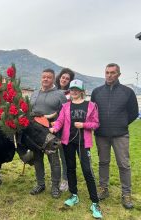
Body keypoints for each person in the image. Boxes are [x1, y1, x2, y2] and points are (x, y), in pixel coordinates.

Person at [50, 79, 102, 219]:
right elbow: (60, 120)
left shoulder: (91, 105)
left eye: (76, 90)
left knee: (87, 170)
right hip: (68, 143)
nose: (74, 92)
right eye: (72, 89)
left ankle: (95, 202)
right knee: (70, 169)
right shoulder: (66, 106)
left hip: (83, 143)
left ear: (82, 91)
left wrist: (84, 125)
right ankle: (74, 195)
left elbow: (96, 124)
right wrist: (55, 128)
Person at [91, 63, 138, 209]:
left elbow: (133, 113)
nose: (109, 75)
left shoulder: (127, 92)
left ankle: (126, 194)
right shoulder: (96, 92)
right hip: (101, 134)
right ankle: (103, 189)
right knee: (103, 162)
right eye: (107, 72)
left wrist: (122, 123)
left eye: (112, 72)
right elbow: (93, 112)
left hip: (120, 134)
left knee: (124, 164)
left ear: (118, 74)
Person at [29, 68, 67, 198]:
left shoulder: (60, 94)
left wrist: (56, 126)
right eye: (44, 77)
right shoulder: (34, 93)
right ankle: (40, 184)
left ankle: (55, 186)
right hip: (35, 133)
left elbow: (65, 114)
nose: (45, 79)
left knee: (54, 160)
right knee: (37, 159)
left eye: (48, 77)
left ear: (53, 79)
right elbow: (30, 109)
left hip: (51, 132)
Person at [55, 68, 75, 192]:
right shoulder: (53, 91)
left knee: (64, 156)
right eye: (63, 77)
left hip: (65, 129)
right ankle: (55, 178)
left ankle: (65, 179)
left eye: (67, 79)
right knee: (53, 155)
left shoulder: (71, 94)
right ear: (59, 77)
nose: (64, 80)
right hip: (51, 127)